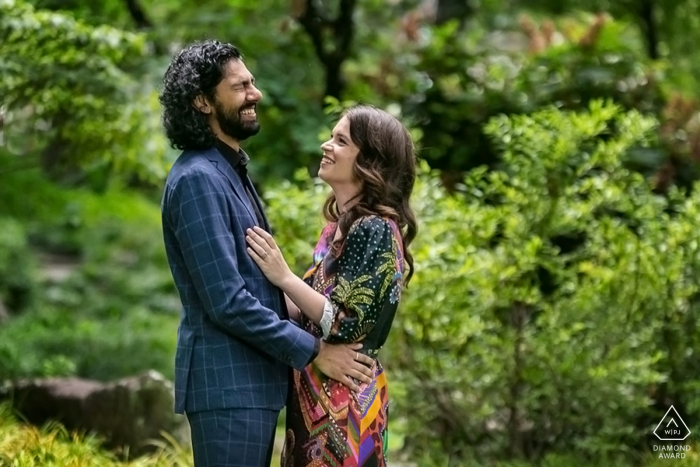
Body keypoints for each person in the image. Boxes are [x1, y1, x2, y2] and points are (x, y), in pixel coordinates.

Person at [158, 40, 374, 467]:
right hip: (227, 387)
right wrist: (316, 351)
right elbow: (228, 302)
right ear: (202, 101)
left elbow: (258, 284)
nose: (254, 94)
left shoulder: (229, 169)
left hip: (250, 386)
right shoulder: (198, 179)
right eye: (239, 87)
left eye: (252, 83)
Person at [246, 104, 417, 466]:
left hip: (346, 403)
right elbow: (306, 312)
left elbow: (344, 322)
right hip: (314, 396)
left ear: (369, 161)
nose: (326, 145)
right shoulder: (336, 228)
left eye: (340, 141)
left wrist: (284, 276)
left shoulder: (374, 230)